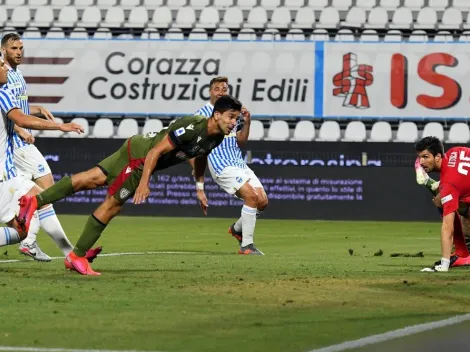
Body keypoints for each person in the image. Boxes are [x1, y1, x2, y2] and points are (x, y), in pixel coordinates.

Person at [17, 95, 243, 276]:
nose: (234, 123)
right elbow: (155, 152)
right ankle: (77, 256)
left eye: (236, 119)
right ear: (216, 115)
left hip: (135, 146)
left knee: (89, 178)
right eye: (231, 117)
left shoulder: (217, 137)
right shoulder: (194, 126)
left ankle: (34, 201)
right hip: (141, 159)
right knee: (113, 205)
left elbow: (201, 156)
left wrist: (200, 187)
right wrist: (144, 182)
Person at [0, 70, 89, 255]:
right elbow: (21, 118)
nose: (4, 68)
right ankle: (71, 255)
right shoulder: (2, 93)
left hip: (8, 172)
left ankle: (70, 254)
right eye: (1, 64)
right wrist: (60, 125)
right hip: (3, 175)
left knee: (39, 206)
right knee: (37, 208)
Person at [1, 32, 71, 261]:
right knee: (44, 195)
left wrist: (35, 109)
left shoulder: (16, 75)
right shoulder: (4, 80)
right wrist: (21, 129)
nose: (19, 52)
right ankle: (66, 251)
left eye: (21, 48)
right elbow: (15, 116)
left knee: (33, 203)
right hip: (17, 149)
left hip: (13, 154)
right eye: (13, 48)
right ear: (4, 50)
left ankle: (37, 243)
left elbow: (17, 111)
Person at [193, 76, 267, 255]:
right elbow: (198, 145)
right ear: (210, 91)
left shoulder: (233, 112)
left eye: (224, 89)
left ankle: (236, 229)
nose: (220, 92)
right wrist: (199, 183)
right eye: (217, 88)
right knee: (251, 196)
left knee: (262, 202)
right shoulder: (202, 114)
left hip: (238, 162)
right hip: (221, 164)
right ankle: (246, 246)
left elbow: (240, 142)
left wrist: (247, 122)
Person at [415, 136, 470, 272]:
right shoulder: (455, 151)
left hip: (450, 187)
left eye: (426, 157)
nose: (421, 161)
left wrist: (444, 265)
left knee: (444, 201)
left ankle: (461, 254)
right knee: (442, 199)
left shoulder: (449, 184)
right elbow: (459, 177)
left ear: (438, 156)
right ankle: (463, 254)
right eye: (420, 157)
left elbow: (447, 227)